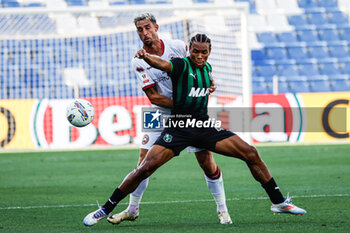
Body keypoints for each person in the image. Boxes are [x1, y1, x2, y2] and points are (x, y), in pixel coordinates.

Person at [83, 33, 306, 227]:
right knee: (144, 168)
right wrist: (145, 56)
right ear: (189, 50)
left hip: (203, 125)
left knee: (251, 153)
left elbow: (207, 82)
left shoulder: (207, 69)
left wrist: (212, 84)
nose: (200, 56)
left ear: (209, 52)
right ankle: (105, 208)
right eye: (196, 52)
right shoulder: (181, 64)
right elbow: (164, 65)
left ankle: (278, 202)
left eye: (204, 53)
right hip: (179, 126)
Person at [85, 13, 231, 226]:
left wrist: (209, 82)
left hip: (190, 113)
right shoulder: (137, 61)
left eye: (147, 27)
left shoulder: (178, 46)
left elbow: (199, 67)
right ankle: (132, 209)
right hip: (158, 111)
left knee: (207, 162)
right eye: (140, 29)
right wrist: (186, 103)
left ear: (156, 27)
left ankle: (223, 210)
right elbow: (154, 96)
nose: (145, 33)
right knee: (143, 164)